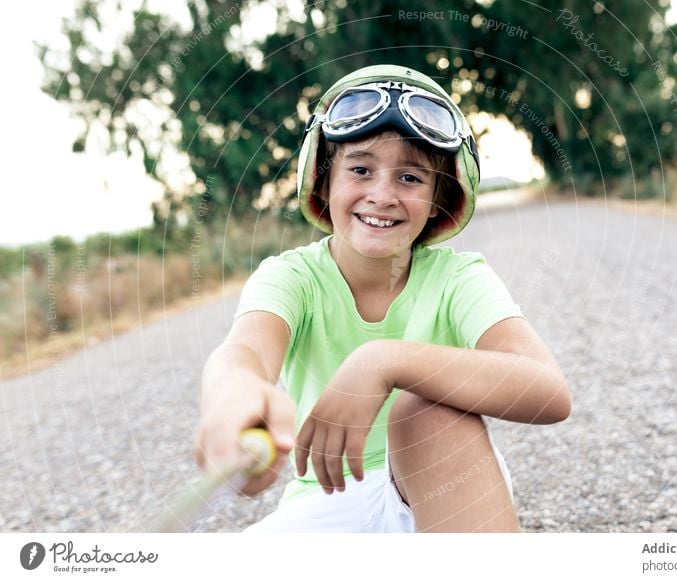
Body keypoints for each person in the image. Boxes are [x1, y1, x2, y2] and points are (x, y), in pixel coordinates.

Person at [194, 64, 571, 533]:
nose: (383, 194)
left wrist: (384, 361)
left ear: (439, 198)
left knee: (427, 411)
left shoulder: (458, 278)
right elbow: (245, 352)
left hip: (440, 498)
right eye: (360, 169)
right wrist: (232, 397)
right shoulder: (292, 277)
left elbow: (549, 392)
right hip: (324, 511)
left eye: (411, 178)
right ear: (324, 181)